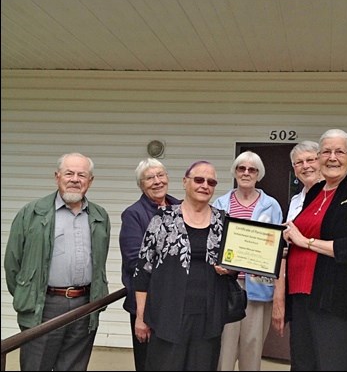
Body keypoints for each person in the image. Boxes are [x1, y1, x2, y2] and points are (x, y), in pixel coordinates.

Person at [282, 129, 347, 371]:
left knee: (333, 364)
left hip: (336, 299)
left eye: (339, 151)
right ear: (319, 157)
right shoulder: (314, 191)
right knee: (304, 365)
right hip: (302, 296)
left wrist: (304, 241)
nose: (332, 157)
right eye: (326, 151)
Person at [4, 152, 111, 371]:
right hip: (44, 306)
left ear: (90, 181)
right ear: (57, 176)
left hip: (85, 305)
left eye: (82, 175)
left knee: (74, 366)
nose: (75, 179)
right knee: (37, 365)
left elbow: (100, 261)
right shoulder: (32, 213)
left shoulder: (99, 216)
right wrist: (30, 295)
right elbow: (12, 264)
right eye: (69, 173)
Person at [133, 160, 234, 371]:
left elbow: (234, 265)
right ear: (185, 182)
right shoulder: (162, 219)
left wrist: (231, 269)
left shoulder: (224, 222)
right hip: (167, 317)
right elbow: (143, 271)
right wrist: (141, 318)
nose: (205, 185)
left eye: (211, 182)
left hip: (208, 319)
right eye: (198, 179)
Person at [212, 150, 283, 371]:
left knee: (252, 348)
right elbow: (212, 242)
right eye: (241, 168)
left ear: (259, 174)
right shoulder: (220, 203)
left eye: (252, 169)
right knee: (225, 348)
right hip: (226, 286)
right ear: (234, 172)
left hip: (258, 287)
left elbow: (278, 249)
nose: (246, 173)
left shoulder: (272, 206)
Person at [119, 158, 181, 371]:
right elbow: (134, 262)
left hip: (179, 305)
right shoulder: (133, 215)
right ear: (141, 184)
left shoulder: (182, 208)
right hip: (148, 306)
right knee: (150, 364)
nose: (157, 181)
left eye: (160, 175)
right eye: (149, 178)